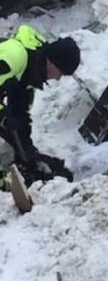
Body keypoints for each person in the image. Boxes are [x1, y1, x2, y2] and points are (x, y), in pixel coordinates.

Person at [0, 25, 79, 187]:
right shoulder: (14, 55)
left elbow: (20, 118)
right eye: (61, 73)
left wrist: (31, 156)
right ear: (52, 62)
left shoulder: (31, 74)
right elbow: (7, 119)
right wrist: (5, 118)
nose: (58, 79)